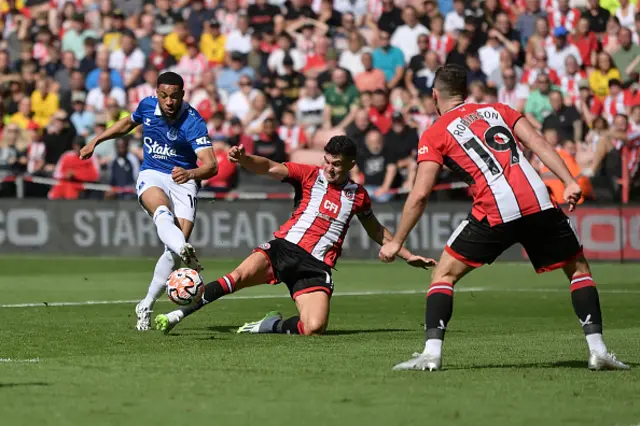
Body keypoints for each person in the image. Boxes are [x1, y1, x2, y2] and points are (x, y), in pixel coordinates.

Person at [379, 64, 629, 372]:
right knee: (577, 270)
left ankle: (431, 354)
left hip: (495, 210)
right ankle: (598, 350)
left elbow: (419, 195)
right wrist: (570, 180)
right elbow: (538, 143)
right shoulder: (498, 110)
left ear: (434, 96)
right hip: (539, 200)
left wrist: (397, 241)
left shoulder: (435, 133)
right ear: (466, 92)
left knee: (443, 275)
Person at [154, 135, 436, 335]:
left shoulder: (358, 196)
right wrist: (244, 159)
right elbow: (269, 167)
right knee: (236, 278)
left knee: (314, 328)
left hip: (315, 267)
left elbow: (375, 230)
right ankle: (177, 315)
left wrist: (406, 254)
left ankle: (270, 326)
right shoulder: (309, 175)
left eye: (336, 163)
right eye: (326, 160)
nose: (329, 167)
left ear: (351, 164)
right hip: (283, 248)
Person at [78, 72, 218, 331]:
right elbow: (126, 124)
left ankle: (146, 303)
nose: (168, 101)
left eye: (174, 96)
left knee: (172, 251)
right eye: (163, 95)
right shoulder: (146, 106)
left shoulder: (193, 121)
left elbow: (211, 166)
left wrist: (191, 173)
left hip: (183, 178)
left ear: (182, 95)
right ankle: (184, 249)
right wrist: (95, 141)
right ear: (157, 93)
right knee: (162, 212)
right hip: (152, 173)